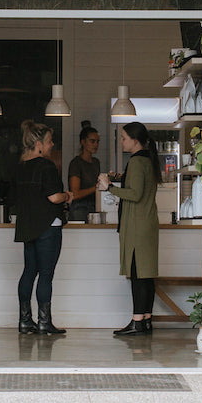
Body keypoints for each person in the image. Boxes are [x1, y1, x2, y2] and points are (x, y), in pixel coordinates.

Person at [13, 119, 71, 335]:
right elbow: (54, 197)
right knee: (46, 274)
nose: (51, 145)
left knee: (29, 272)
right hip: (48, 226)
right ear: (38, 143)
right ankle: (45, 322)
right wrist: (68, 196)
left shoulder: (21, 167)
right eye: (49, 141)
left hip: (28, 226)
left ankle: (25, 321)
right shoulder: (46, 166)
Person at [101, 120, 159, 336]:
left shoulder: (135, 162)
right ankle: (145, 320)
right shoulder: (148, 160)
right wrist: (119, 177)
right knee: (146, 274)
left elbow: (134, 194)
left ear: (135, 140)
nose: (122, 142)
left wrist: (110, 188)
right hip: (148, 223)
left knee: (137, 273)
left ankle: (136, 321)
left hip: (136, 225)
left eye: (124, 138)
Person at [67, 121, 102, 222]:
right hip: (79, 208)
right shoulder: (76, 163)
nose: (96, 145)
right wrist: (96, 187)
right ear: (83, 142)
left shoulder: (96, 162)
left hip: (94, 206)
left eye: (97, 142)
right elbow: (75, 193)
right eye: (92, 141)